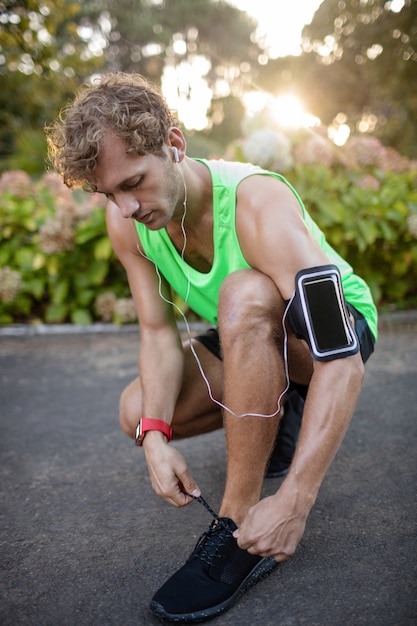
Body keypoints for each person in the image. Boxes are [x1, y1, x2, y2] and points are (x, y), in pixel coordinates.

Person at [46, 72, 377, 623]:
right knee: (138, 413)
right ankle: (282, 421)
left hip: (325, 336)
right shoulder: (128, 224)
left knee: (244, 291)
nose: (126, 208)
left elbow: (340, 357)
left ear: (174, 145)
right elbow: (156, 333)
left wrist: (294, 501)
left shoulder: (257, 203)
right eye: (110, 194)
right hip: (247, 332)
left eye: (134, 182)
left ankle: (237, 529)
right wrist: (154, 437)